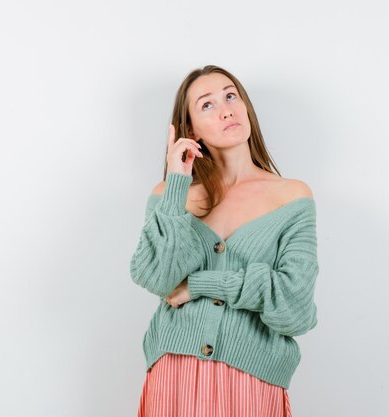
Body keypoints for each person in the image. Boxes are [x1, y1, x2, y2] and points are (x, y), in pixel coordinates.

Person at [129, 65, 319, 417]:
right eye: (207, 105)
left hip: (252, 382)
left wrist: (201, 284)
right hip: (174, 377)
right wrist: (176, 184)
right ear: (191, 130)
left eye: (231, 96)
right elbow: (157, 278)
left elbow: (296, 309)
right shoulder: (172, 196)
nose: (226, 109)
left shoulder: (291, 197)